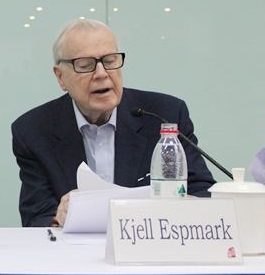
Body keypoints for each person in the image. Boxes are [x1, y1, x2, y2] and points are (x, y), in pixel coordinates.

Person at [11, 18, 215, 227]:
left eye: (109, 61)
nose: (101, 74)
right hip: (75, 247)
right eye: (85, 65)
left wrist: (175, 204)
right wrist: (59, 217)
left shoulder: (164, 115)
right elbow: (36, 217)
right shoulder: (33, 130)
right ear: (60, 77)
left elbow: (203, 192)